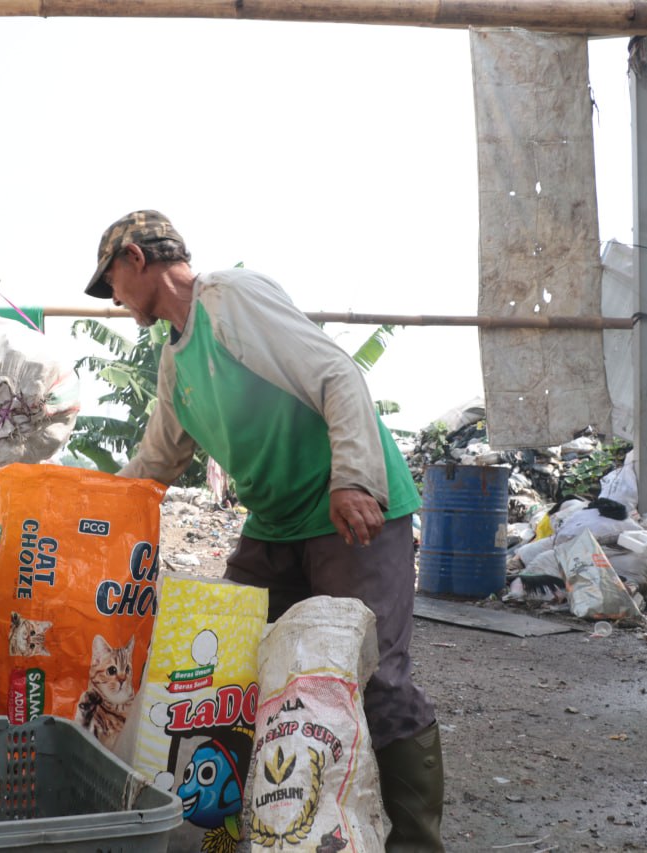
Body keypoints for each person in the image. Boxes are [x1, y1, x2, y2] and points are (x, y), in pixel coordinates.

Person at [84, 210, 444, 852]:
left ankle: (414, 844)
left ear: (136, 258)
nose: (113, 299)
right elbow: (155, 463)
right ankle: (268, 828)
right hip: (274, 526)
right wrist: (83, 509)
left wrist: (353, 479)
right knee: (232, 663)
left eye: (110, 281)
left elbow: (337, 374)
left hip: (345, 511)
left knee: (374, 680)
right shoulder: (175, 360)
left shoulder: (228, 298)